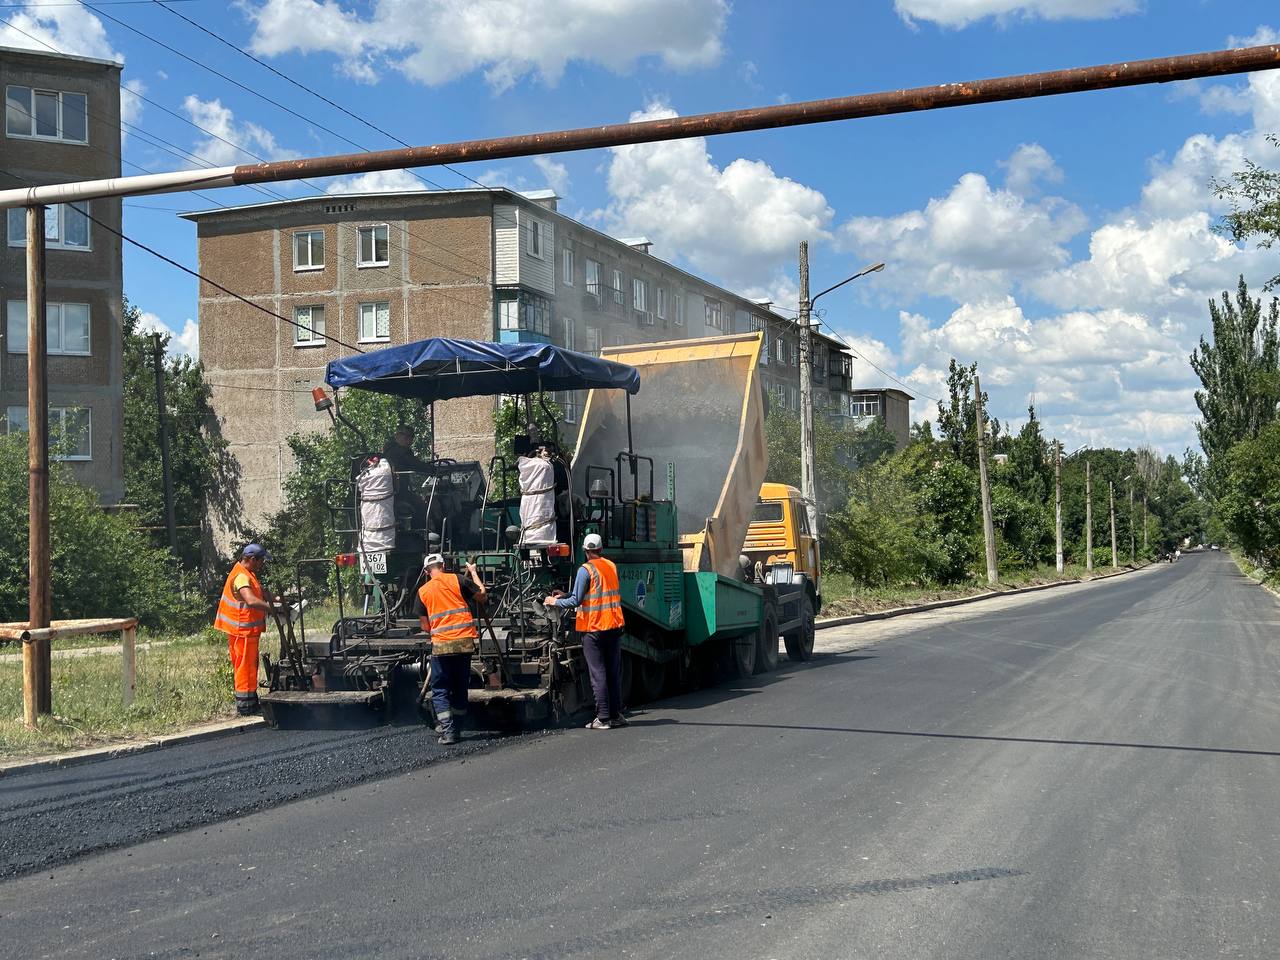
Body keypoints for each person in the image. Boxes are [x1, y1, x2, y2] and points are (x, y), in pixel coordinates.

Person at [544, 533, 627, 729]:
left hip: (594, 628)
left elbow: (576, 601)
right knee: (613, 672)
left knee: (598, 673)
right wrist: (567, 594)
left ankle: (603, 717)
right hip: (613, 627)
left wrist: (555, 601)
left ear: (585, 551)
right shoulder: (610, 566)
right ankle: (616, 715)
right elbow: (592, 593)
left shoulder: (585, 569)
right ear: (600, 549)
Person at [418, 553, 487, 745]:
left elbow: (425, 626)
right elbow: (482, 596)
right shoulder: (458, 579)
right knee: (459, 686)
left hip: (441, 645)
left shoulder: (423, 591)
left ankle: (448, 732)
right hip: (464, 643)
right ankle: (458, 726)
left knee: (440, 689)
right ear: (443, 565)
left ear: (426, 571)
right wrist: (473, 573)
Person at [214, 543, 280, 716]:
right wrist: (275, 609)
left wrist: (280, 599)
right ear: (252, 559)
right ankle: (244, 706)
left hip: (247, 632)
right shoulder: (241, 577)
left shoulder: (247, 573)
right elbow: (251, 600)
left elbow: (260, 593)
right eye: (261, 561)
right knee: (244, 667)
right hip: (241, 630)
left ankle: (251, 702)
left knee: (250, 666)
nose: (262, 564)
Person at [383, 425, 434, 531]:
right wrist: (433, 470)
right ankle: (419, 535)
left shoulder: (388, 451)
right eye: (406, 437)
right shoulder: (400, 452)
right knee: (421, 504)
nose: (409, 441)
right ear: (397, 436)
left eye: (411, 438)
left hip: (390, 493)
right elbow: (415, 464)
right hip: (399, 494)